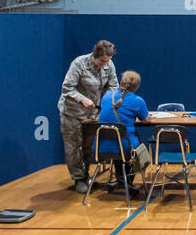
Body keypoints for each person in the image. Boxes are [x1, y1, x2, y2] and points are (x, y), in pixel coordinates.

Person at [58, 39, 119, 194]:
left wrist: (105, 100)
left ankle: (85, 176)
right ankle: (78, 178)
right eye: (103, 61)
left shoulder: (109, 65)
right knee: (74, 147)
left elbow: (113, 86)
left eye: (108, 61)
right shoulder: (79, 64)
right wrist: (82, 98)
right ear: (95, 56)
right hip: (73, 112)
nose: (105, 64)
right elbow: (67, 88)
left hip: (92, 113)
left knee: (87, 146)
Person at [98, 70, 152, 196]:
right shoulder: (138, 101)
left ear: (121, 82)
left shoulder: (106, 97)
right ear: (137, 86)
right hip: (126, 147)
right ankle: (127, 182)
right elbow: (146, 120)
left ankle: (121, 181)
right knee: (136, 147)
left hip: (101, 146)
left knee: (119, 144)